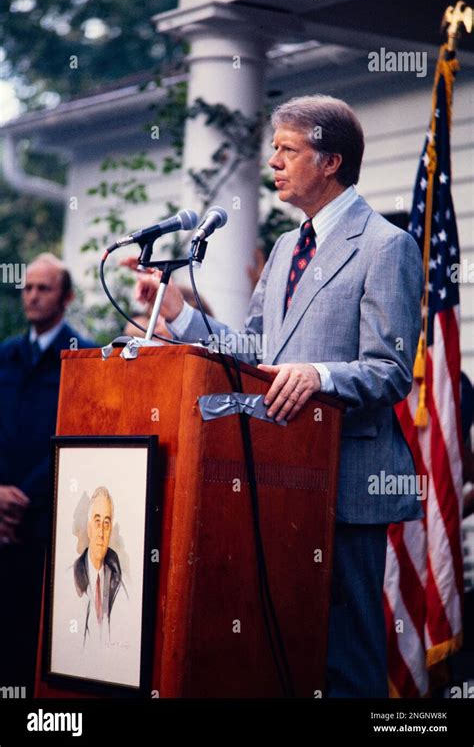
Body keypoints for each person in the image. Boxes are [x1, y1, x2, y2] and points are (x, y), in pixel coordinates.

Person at [127, 95, 424, 698]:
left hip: (346, 485)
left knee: (346, 658)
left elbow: (391, 371)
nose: (274, 162)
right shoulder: (288, 248)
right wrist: (182, 317)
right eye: (274, 150)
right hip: (279, 481)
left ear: (332, 160)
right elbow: (256, 350)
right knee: (285, 650)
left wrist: (320, 374)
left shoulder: (387, 246)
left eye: (289, 150)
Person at [0, 253, 95, 694]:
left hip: (45, 522)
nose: (33, 296)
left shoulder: (81, 357)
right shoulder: (6, 355)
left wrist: (26, 495)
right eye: (28, 288)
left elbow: (79, 433)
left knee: (33, 634)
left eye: (44, 288)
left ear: (67, 297)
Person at [73, 487, 126, 646]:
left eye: (106, 523)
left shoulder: (119, 585)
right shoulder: (69, 579)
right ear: (89, 528)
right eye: (97, 522)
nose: (101, 533)